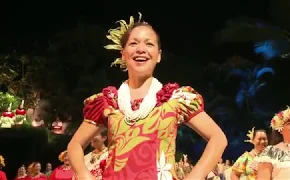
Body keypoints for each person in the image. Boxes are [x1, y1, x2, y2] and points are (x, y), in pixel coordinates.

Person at [67, 12, 227, 180]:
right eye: (133, 43)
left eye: (149, 44)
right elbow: (75, 145)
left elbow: (218, 138)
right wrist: (84, 174)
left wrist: (194, 177)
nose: (141, 49)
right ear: (123, 54)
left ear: (158, 55)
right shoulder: (109, 102)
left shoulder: (175, 100)